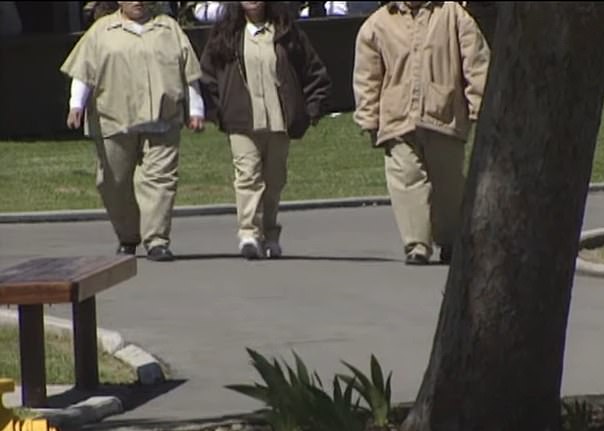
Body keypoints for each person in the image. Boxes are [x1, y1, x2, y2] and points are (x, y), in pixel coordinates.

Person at [61, 1, 205, 262]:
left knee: (160, 180)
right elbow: (83, 73)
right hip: (114, 118)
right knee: (112, 182)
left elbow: (190, 73)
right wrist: (76, 105)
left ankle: (157, 240)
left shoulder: (169, 29)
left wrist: (196, 110)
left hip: (163, 117)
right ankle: (128, 235)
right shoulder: (101, 31)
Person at [353, 1, 489, 265]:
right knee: (406, 179)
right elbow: (367, 76)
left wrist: (479, 105)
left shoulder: (453, 15)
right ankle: (416, 244)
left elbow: (476, 63)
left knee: (448, 183)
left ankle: (450, 240)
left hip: (443, 115)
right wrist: (369, 116)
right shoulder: (377, 24)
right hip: (397, 119)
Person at [200, 1, 331, 260]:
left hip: (279, 121)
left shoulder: (286, 32)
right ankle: (248, 233)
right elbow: (207, 75)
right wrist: (218, 112)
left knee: (274, 181)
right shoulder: (226, 33)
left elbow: (313, 71)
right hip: (241, 121)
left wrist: (312, 109)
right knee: (248, 176)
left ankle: (270, 234)